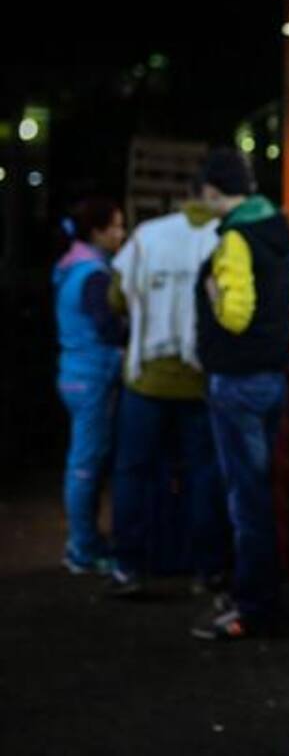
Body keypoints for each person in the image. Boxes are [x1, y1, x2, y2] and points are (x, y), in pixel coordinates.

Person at [188, 149, 289, 640]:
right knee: (258, 491)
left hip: (238, 381)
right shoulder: (277, 225)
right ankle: (259, 593)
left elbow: (236, 315)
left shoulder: (235, 237)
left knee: (245, 498)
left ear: (213, 190)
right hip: (272, 377)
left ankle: (253, 606)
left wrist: (212, 292)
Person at [106, 189, 227, 597]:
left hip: (146, 380)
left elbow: (117, 297)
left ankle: (129, 566)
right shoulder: (219, 236)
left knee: (133, 473)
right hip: (197, 380)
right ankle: (206, 569)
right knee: (202, 474)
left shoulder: (145, 236)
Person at [53, 197, 127, 574]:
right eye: (115, 226)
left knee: (86, 460)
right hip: (91, 376)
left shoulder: (72, 267)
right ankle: (83, 549)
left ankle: (86, 542)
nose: (121, 233)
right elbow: (107, 328)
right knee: (86, 464)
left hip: (76, 372)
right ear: (97, 232)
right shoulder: (93, 274)